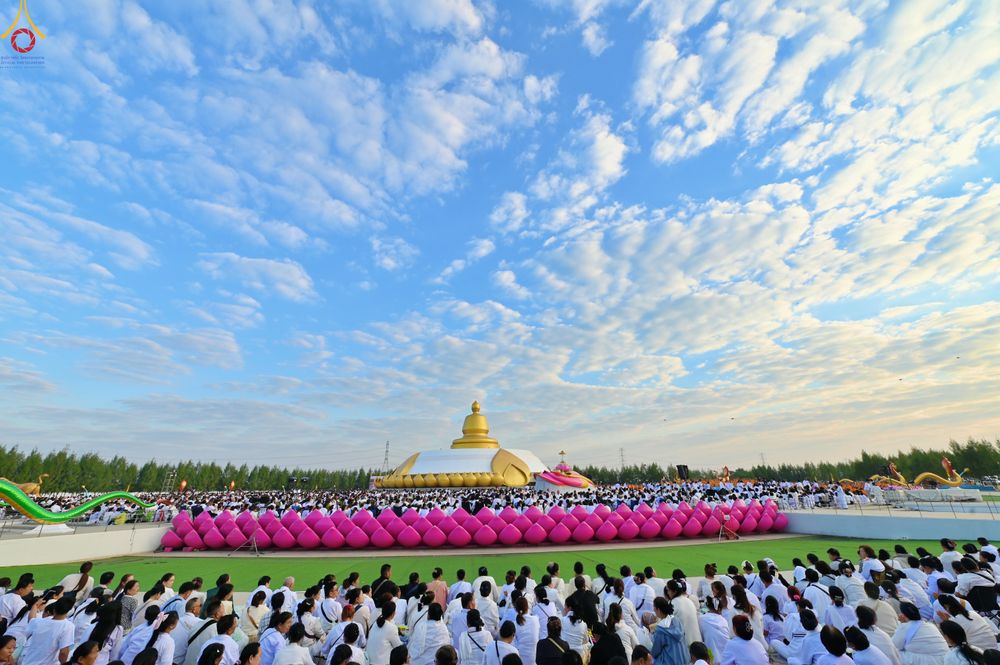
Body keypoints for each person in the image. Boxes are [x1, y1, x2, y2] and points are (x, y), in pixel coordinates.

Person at [20, 597, 76, 665]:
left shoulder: (39, 621)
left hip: (28, 662)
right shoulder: (68, 626)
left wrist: (35, 605)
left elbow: (31, 619)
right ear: (69, 610)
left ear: (54, 608)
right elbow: (63, 652)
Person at [664, 582, 700, 649]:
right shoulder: (689, 601)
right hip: (696, 639)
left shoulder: (673, 603)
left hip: (684, 643)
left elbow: (666, 624)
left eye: (668, 590)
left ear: (674, 591)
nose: (668, 593)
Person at [649, 598, 685, 665]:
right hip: (683, 659)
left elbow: (655, 651)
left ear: (658, 610)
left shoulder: (660, 630)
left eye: (654, 608)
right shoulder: (676, 621)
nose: (653, 610)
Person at [697, 598, 728, 665]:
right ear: (719, 609)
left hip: (712, 657)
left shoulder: (702, 619)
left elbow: (701, 637)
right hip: (725, 657)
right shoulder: (723, 620)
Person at [513, 597, 540, 665]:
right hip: (534, 657)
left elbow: (514, 642)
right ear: (527, 607)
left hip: (521, 658)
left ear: (516, 609)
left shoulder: (515, 624)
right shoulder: (535, 619)